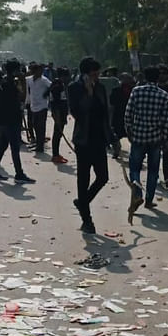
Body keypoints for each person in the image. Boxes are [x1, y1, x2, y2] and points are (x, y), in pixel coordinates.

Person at [69, 57, 116, 234]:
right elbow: (77, 113)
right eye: (93, 74)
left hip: (99, 139)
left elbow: (105, 115)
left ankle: (82, 202)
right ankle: (87, 220)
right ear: (85, 74)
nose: (96, 77)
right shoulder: (75, 88)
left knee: (103, 177)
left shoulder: (101, 88)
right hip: (83, 140)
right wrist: (87, 94)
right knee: (83, 178)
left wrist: (111, 137)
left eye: (98, 74)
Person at [125, 66, 168, 216]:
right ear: (158, 78)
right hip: (155, 139)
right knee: (153, 171)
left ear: (144, 76)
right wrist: (165, 139)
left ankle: (137, 194)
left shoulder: (136, 91)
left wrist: (130, 133)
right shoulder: (163, 95)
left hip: (138, 137)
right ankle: (149, 200)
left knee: (135, 168)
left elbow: (128, 115)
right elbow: (165, 121)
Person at [0, 60, 35, 184]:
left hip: (3, 120)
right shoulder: (11, 84)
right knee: (15, 147)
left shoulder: (4, 83)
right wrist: (23, 82)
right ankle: (19, 174)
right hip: (11, 120)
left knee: (2, 146)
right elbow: (22, 98)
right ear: (15, 71)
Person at [26, 63, 52, 155]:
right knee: (35, 126)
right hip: (33, 106)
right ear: (34, 71)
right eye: (39, 70)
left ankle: (40, 146)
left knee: (41, 126)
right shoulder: (29, 80)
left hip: (42, 106)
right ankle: (38, 144)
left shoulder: (44, 80)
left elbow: (52, 86)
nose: (41, 72)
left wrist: (47, 93)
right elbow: (22, 80)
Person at [49, 67, 71, 164]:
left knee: (58, 134)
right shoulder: (57, 86)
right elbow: (56, 104)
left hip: (62, 114)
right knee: (57, 134)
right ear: (62, 76)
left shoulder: (60, 84)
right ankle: (55, 155)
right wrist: (57, 117)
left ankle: (56, 154)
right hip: (59, 114)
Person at [110, 73, 135, 156]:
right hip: (118, 115)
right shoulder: (116, 90)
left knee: (132, 136)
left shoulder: (134, 90)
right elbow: (112, 103)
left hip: (131, 116)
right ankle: (116, 150)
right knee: (116, 135)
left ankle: (136, 152)